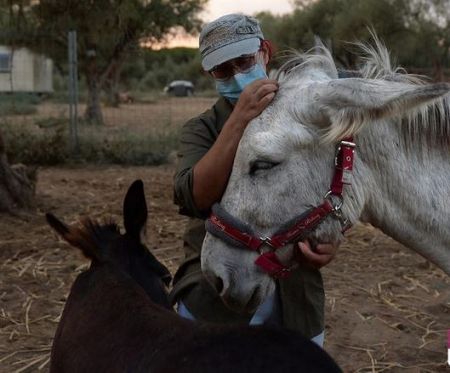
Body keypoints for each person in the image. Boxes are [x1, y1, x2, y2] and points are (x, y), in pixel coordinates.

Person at [172, 13, 338, 347]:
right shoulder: (201, 129)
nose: (236, 77)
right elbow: (194, 197)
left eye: (244, 62)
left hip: (297, 303)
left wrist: (329, 243)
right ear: (210, 74)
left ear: (265, 52)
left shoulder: (304, 121)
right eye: (223, 71)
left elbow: (330, 196)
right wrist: (239, 119)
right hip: (214, 298)